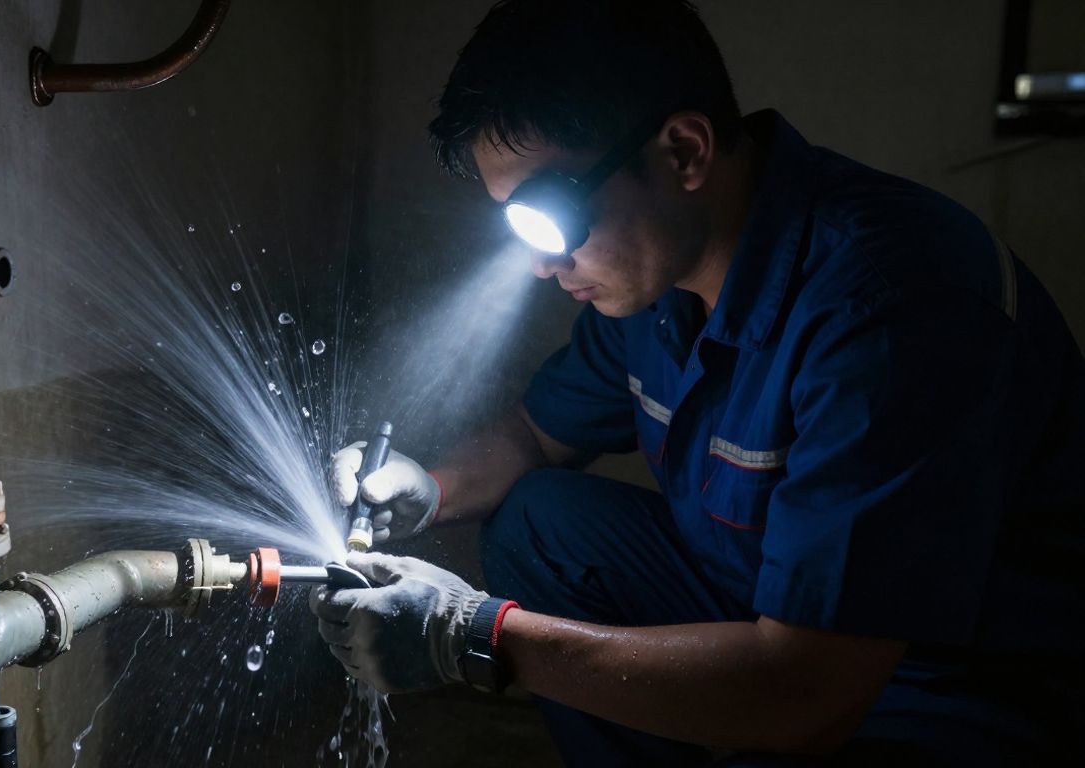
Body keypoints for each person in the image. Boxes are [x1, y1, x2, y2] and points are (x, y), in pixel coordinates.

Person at [309, 0, 1085, 765]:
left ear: (683, 152)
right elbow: (534, 434)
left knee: (792, 715)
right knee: (540, 525)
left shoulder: (891, 307)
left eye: (549, 216)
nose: (543, 265)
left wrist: (468, 634)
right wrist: (427, 489)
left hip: (951, 688)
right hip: (775, 623)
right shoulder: (655, 282)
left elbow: (811, 689)